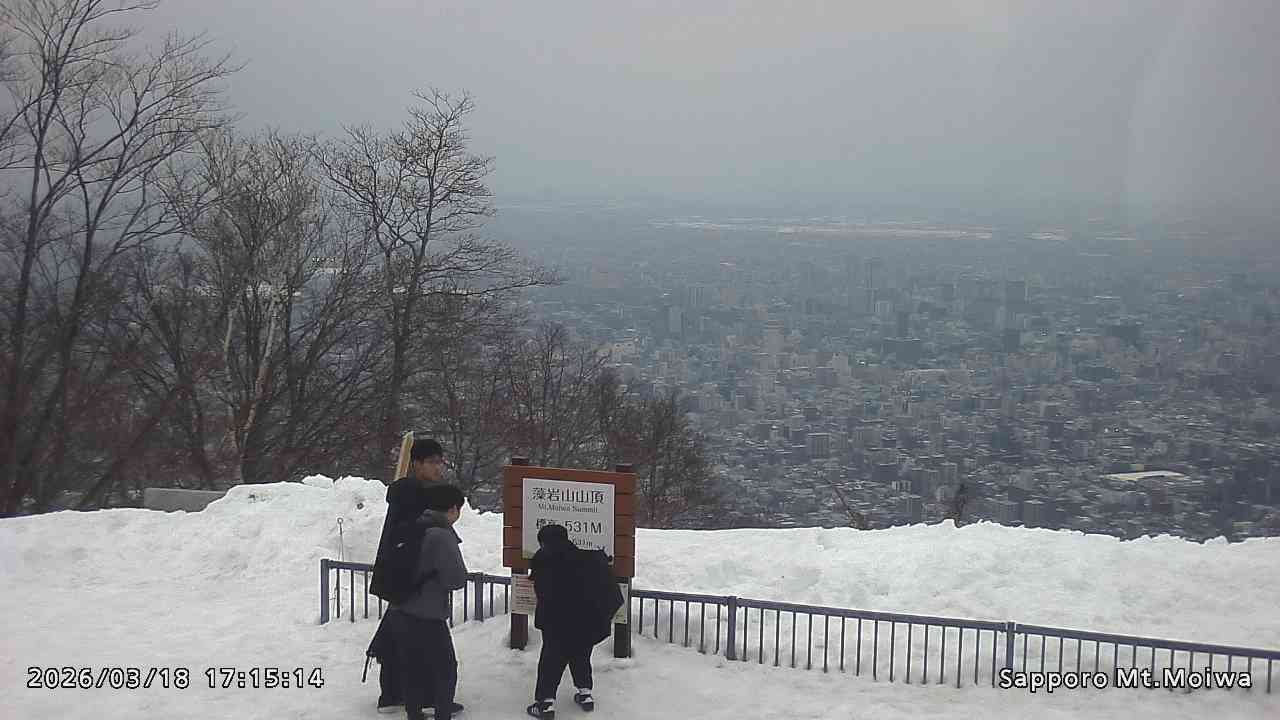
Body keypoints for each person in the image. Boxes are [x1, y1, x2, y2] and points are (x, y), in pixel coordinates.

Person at [368, 436, 453, 714]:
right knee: (422, 643)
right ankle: (423, 697)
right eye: (432, 462)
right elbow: (416, 534)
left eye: (440, 462)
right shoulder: (414, 494)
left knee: (400, 637)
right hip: (410, 576)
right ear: (416, 463)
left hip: (400, 575)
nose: (438, 467)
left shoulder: (406, 491)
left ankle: (393, 694)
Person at [526, 524, 624, 720]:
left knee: (551, 661)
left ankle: (545, 704)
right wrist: (600, 618)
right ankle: (585, 693)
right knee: (581, 655)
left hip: (556, 624)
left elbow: (542, 590)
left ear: (544, 542)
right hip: (586, 622)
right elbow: (612, 594)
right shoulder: (590, 558)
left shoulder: (544, 559)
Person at [390, 483, 469, 720]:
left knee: (412, 665)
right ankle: (442, 713)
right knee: (445, 668)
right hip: (428, 613)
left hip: (400, 608)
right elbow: (456, 579)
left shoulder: (413, 526)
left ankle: (414, 714)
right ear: (453, 509)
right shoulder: (441, 536)